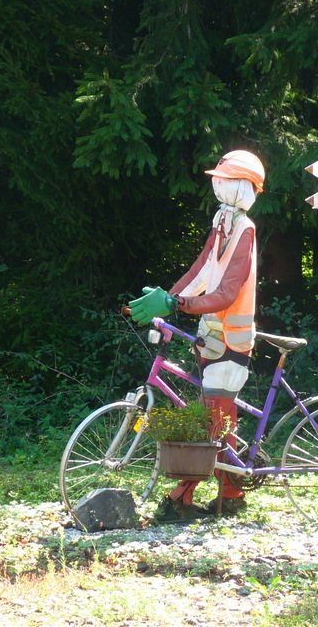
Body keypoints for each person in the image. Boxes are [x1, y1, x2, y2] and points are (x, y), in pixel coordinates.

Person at [128, 149, 265, 523]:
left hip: (233, 340)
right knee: (216, 417)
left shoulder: (245, 229)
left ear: (243, 187)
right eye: (217, 179)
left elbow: (228, 292)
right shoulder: (224, 219)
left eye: (225, 180)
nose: (217, 185)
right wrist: (168, 298)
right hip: (211, 336)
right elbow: (203, 268)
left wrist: (177, 305)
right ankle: (231, 495)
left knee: (213, 420)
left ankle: (187, 494)